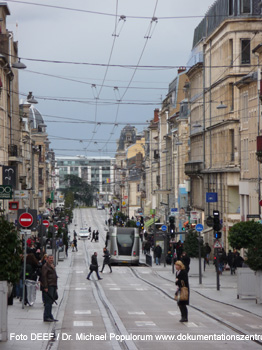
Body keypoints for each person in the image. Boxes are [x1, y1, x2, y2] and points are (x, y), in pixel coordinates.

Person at [41, 255, 58, 322]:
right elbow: (44, 277)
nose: (51, 259)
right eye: (50, 258)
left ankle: (50, 315)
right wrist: (45, 287)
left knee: (51, 302)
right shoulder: (45, 266)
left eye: (52, 258)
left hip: (53, 285)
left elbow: (55, 276)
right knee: (48, 302)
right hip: (49, 286)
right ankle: (46, 316)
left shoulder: (52, 266)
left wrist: (56, 286)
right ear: (47, 259)